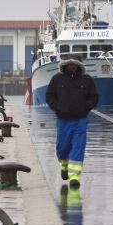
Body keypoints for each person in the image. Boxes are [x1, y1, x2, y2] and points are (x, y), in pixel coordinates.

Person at [45, 56, 98, 188]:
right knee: (62, 148)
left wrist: (85, 107)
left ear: (79, 66)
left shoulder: (87, 80)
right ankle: (64, 165)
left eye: (74, 64)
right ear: (65, 65)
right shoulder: (57, 79)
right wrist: (57, 107)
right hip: (63, 120)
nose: (72, 67)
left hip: (80, 120)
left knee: (78, 147)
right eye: (69, 64)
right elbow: (49, 95)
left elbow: (94, 97)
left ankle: (74, 177)